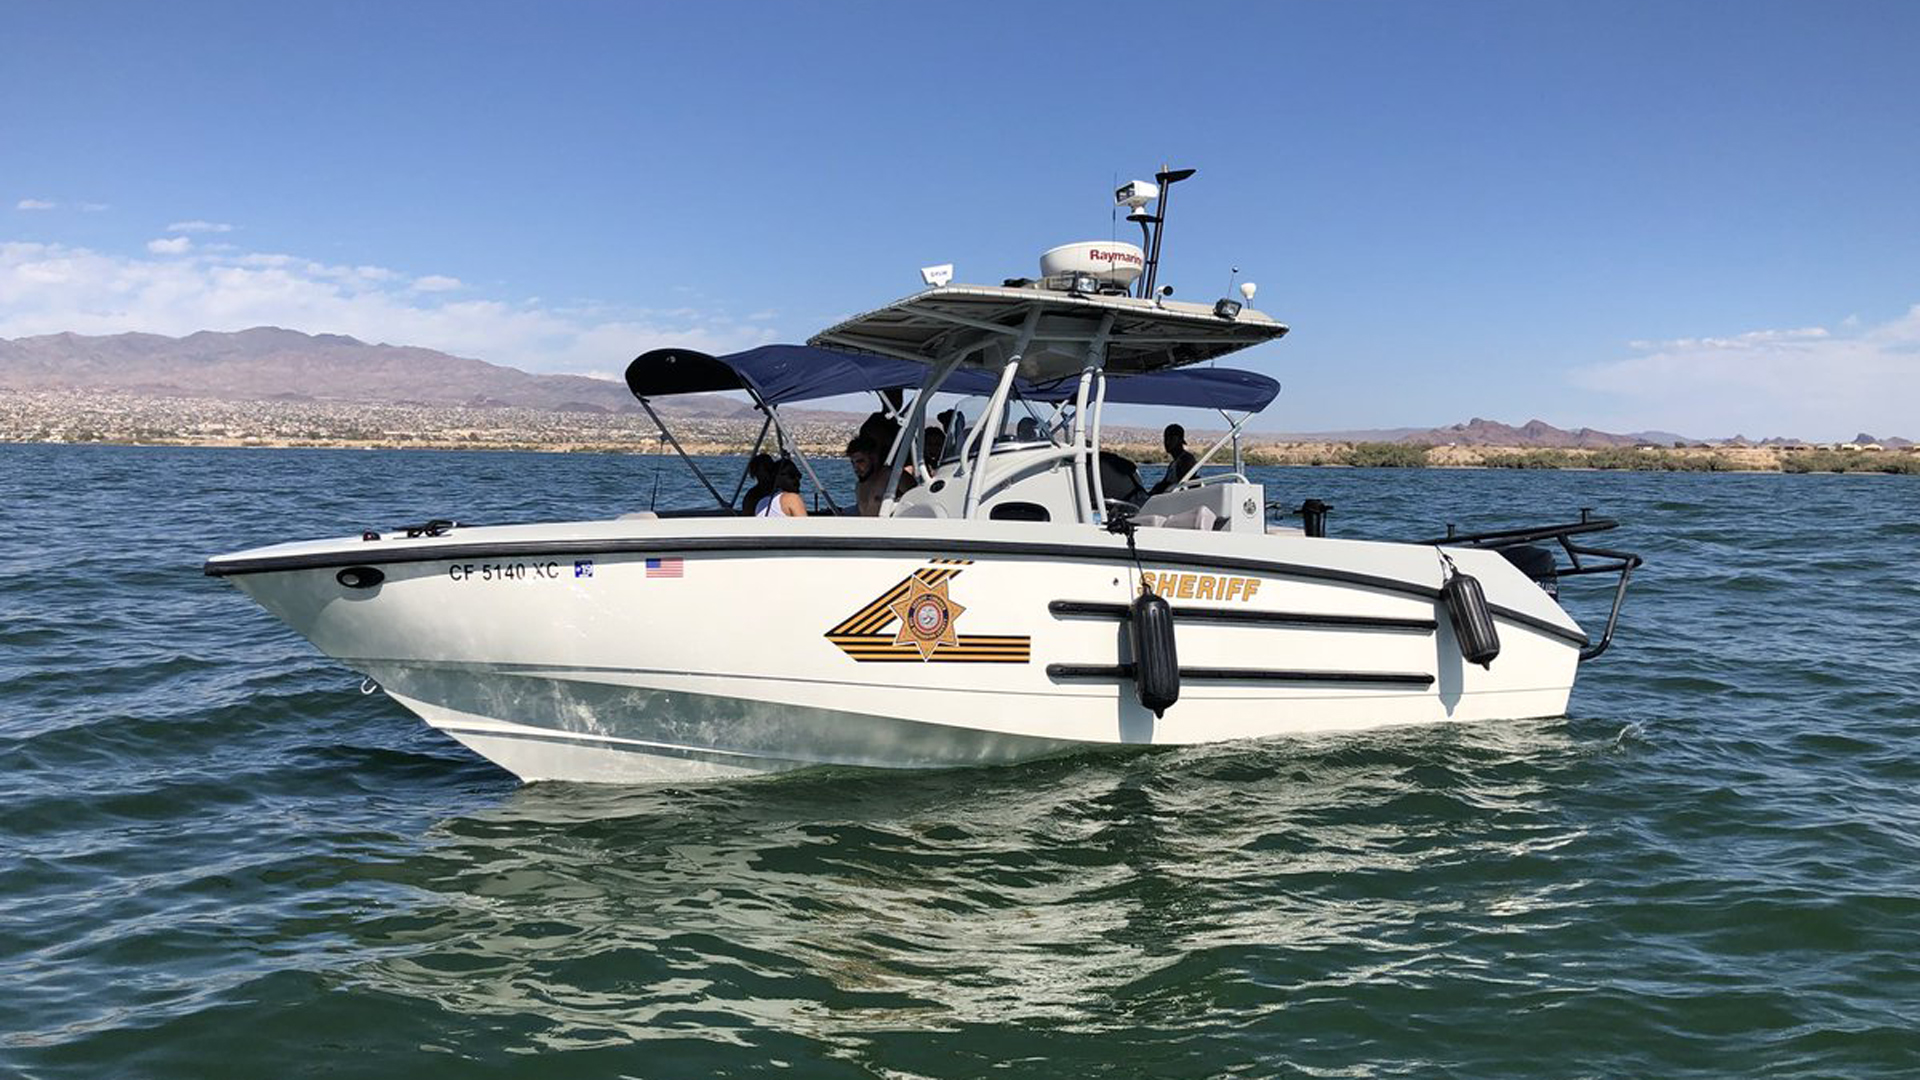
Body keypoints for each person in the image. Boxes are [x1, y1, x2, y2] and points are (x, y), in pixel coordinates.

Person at [1148, 423, 1198, 497]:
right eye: (1166, 438)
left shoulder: (1186, 459)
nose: (1167, 442)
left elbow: (1183, 483)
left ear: (1180, 440)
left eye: (1171, 439)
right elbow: (1165, 482)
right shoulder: (1173, 463)